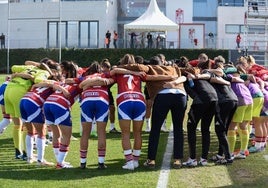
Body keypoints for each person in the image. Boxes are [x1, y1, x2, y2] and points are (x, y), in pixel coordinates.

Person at [4, 59, 54, 159]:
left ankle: (18, 152)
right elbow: (39, 81)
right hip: (19, 91)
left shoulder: (29, 67)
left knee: (17, 125)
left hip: (8, 90)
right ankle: (26, 153)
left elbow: (13, 67)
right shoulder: (44, 72)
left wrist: (20, 74)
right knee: (26, 124)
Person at [43, 61, 82, 169]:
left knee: (56, 134)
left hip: (48, 103)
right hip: (60, 104)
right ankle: (60, 163)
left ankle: (59, 161)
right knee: (66, 135)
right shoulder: (79, 84)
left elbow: (53, 85)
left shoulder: (63, 82)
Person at [79, 61, 114, 169]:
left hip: (87, 100)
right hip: (101, 100)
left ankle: (83, 163)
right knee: (101, 132)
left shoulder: (85, 77)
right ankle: (101, 163)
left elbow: (80, 86)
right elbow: (108, 80)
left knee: (85, 133)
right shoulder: (106, 74)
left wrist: (89, 83)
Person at [100, 59, 120, 134]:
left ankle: (112, 127)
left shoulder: (111, 74)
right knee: (101, 110)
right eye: (104, 70)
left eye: (107, 69)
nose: (106, 72)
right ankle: (97, 128)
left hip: (107, 93)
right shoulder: (99, 74)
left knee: (112, 109)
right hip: (100, 93)